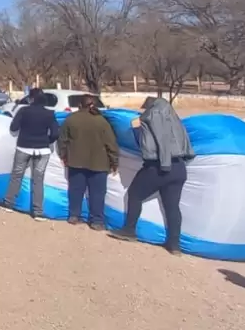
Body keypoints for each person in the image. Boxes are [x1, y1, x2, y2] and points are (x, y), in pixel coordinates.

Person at [110, 97, 194, 254]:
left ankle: (129, 230)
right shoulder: (175, 120)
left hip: (159, 166)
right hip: (179, 168)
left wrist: (165, 163)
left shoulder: (153, 116)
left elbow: (159, 141)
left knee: (135, 194)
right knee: (172, 207)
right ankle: (174, 244)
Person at [57, 94, 118, 231]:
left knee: (75, 190)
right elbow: (111, 144)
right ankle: (96, 221)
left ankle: (74, 215)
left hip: (75, 162)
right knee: (97, 193)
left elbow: (62, 140)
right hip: (99, 164)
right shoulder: (102, 122)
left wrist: (63, 156)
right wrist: (115, 162)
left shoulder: (71, 119)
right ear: (93, 105)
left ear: (80, 105)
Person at [3, 88, 59, 221]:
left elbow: (13, 128)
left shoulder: (23, 111)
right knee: (38, 180)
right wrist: (47, 141)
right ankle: (38, 211)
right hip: (43, 150)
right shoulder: (49, 114)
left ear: (31, 99)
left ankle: (9, 204)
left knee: (17, 175)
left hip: (24, 147)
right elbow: (55, 133)